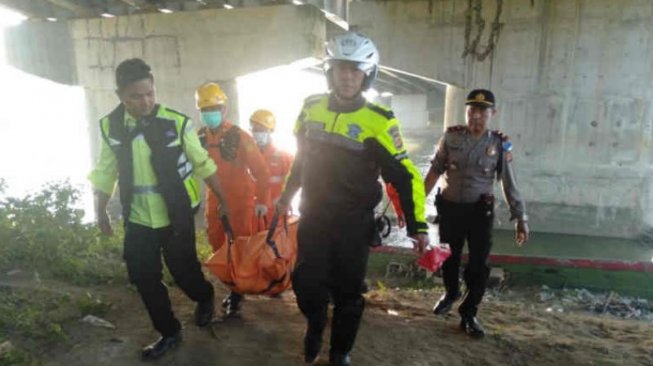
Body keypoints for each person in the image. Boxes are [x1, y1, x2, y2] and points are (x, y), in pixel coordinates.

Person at [275, 32, 429, 366]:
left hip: (353, 224)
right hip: (313, 216)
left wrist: (418, 226)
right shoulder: (310, 108)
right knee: (306, 283)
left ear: (367, 74)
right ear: (330, 72)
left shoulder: (380, 120)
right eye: (341, 68)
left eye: (355, 70)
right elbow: (300, 160)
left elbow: (403, 175)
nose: (347, 76)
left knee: (348, 293)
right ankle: (316, 323)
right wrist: (286, 195)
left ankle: (340, 352)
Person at [89, 58, 229, 361]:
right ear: (120, 96)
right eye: (136, 96)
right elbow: (105, 172)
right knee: (143, 276)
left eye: (150, 94)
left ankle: (204, 296)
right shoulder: (110, 127)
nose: (145, 102)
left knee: (184, 272)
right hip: (138, 216)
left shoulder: (176, 123)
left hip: (175, 213)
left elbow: (203, 164)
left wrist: (225, 201)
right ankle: (169, 331)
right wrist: (100, 212)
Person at [424, 89, 529, 339]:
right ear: (466, 112)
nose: (476, 117)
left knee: (478, 265)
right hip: (449, 209)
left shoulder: (499, 144)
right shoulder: (450, 138)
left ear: (492, 113)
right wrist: (415, 205)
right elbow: (435, 171)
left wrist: (520, 217)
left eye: (483, 112)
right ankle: (451, 293)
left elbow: (509, 182)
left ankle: (469, 313)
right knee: (448, 256)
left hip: (480, 212)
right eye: (472, 111)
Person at [195, 82, 271, 318]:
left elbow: (262, 172)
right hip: (214, 200)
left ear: (224, 109)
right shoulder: (198, 137)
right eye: (205, 110)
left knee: (240, 247)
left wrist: (262, 200)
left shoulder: (241, 137)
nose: (210, 114)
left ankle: (237, 293)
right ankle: (231, 284)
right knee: (217, 245)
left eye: (214, 109)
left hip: (241, 200)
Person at [248, 109, 294, 220]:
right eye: (255, 129)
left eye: (261, 129)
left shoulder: (284, 156)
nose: (257, 133)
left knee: (276, 237)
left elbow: (294, 182)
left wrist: (286, 201)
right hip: (253, 212)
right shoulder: (247, 155)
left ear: (270, 130)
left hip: (276, 213)